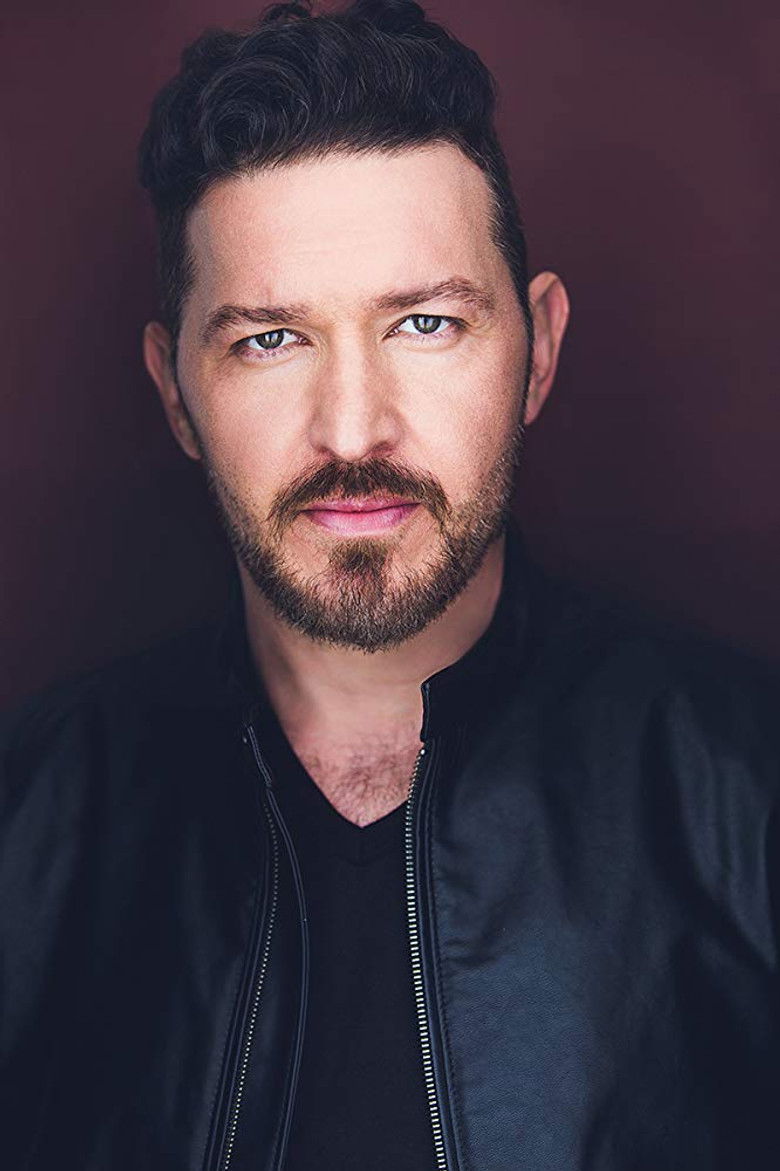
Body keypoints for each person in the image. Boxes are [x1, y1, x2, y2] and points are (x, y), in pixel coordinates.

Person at [2, 0, 778, 1167]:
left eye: (423, 322)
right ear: (176, 393)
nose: (353, 427)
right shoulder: (26, 828)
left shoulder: (749, 795)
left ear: (539, 350)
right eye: (269, 340)